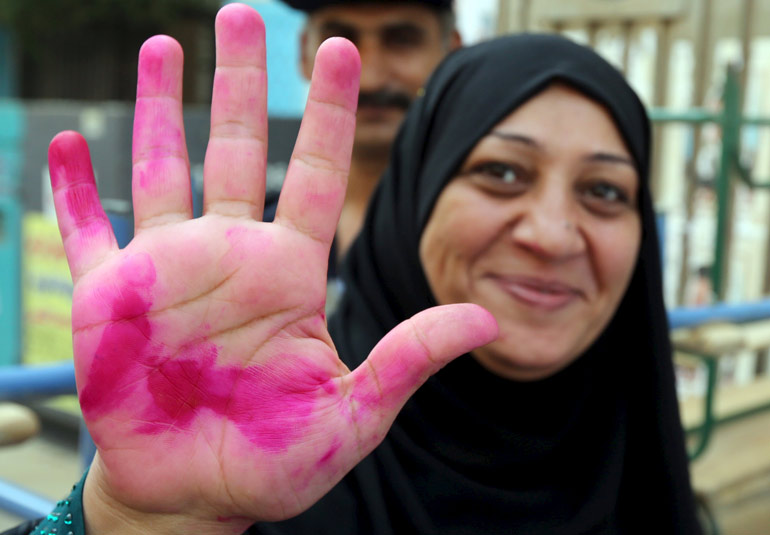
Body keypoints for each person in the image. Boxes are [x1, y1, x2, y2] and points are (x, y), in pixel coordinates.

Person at [6, 3, 702, 534]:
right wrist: (133, 520)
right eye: (501, 172)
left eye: (606, 190)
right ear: (420, 193)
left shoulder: (654, 471)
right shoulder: (275, 419)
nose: (551, 234)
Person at [273, 0, 461, 262]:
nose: (370, 79)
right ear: (304, 53)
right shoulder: (258, 238)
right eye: (340, 40)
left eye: (402, 40)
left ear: (452, 53)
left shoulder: (483, 246)